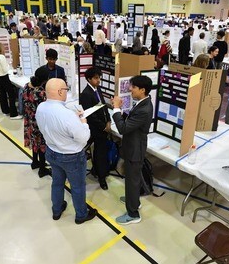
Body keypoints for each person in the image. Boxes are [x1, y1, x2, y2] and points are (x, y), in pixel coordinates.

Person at [35, 78, 96, 224]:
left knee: (57, 182)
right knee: (77, 187)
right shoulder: (67, 114)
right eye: (66, 90)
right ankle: (81, 215)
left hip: (52, 152)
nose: (66, 93)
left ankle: (57, 209)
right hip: (71, 157)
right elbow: (83, 138)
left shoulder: (41, 107)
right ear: (59, 92)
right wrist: (83, 123)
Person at [111, 75, 154, 225]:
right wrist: (121, 112)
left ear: (142, 90)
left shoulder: (145, 108)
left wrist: (116, 109)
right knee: (132, 179)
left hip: (135, 150)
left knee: (132, 181)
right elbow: (132, 121)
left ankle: (133, 213)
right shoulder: (143, 102)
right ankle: (133, 200)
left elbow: (123, 128)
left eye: (133, 87)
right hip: (133, 146)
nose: (130, 89)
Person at [79, 67, 112, 190]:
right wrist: (104, 126)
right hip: (95, 129)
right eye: (96, 78)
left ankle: (99, 171)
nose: (99, 80)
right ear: (89, 79)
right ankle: (101, 177)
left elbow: (103, 107)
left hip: (103, 126)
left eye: (99, 78)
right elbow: (91, 116)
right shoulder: (86, 94)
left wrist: (108, 120)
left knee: (101, 152)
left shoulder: (98, 90)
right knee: (99, 153)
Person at [0, 42, 21, 119]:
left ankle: (5, 110)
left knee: (2, 94)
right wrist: (9, 65)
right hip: (3, 77)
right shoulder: (1, 57)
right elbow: (5, 69)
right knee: (11, 94)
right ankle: (13, 114)